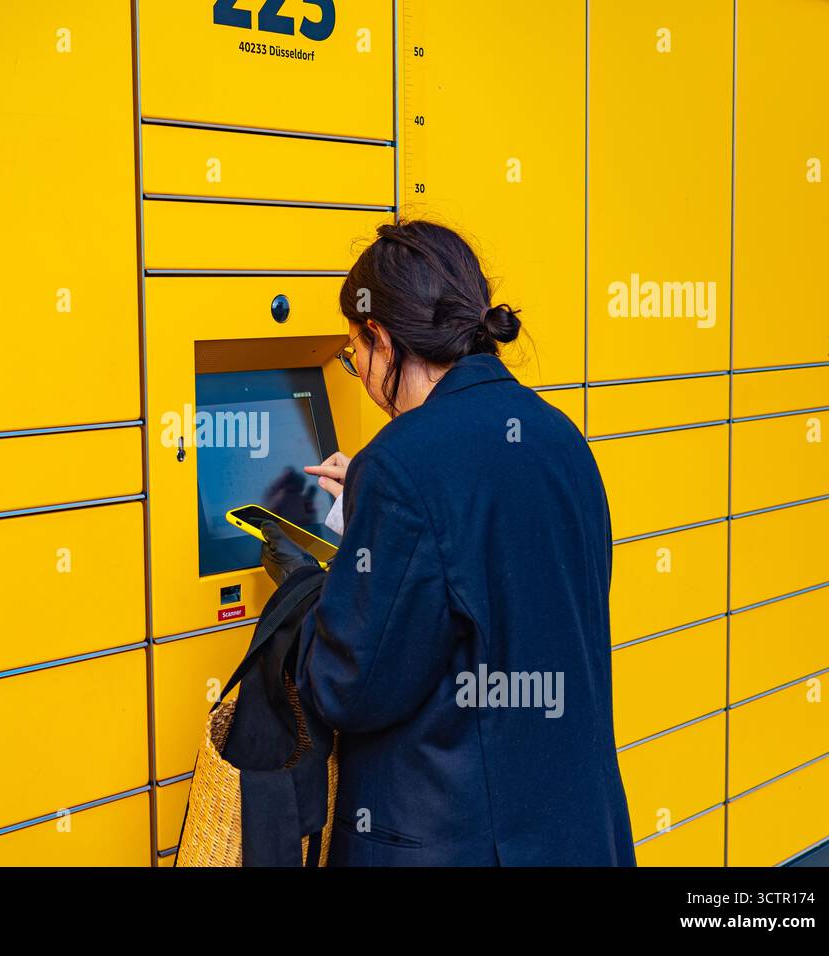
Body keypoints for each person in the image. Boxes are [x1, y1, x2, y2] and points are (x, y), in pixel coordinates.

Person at [259, 219, 635, 866]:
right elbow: (492, 575)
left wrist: (303, 585)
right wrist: (373, 509)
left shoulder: (401, 463)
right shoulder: (558, 436)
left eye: (352, 355)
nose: (357, 371)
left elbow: (351, 686)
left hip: (458, 841)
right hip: (576, 831)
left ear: (381, 337)